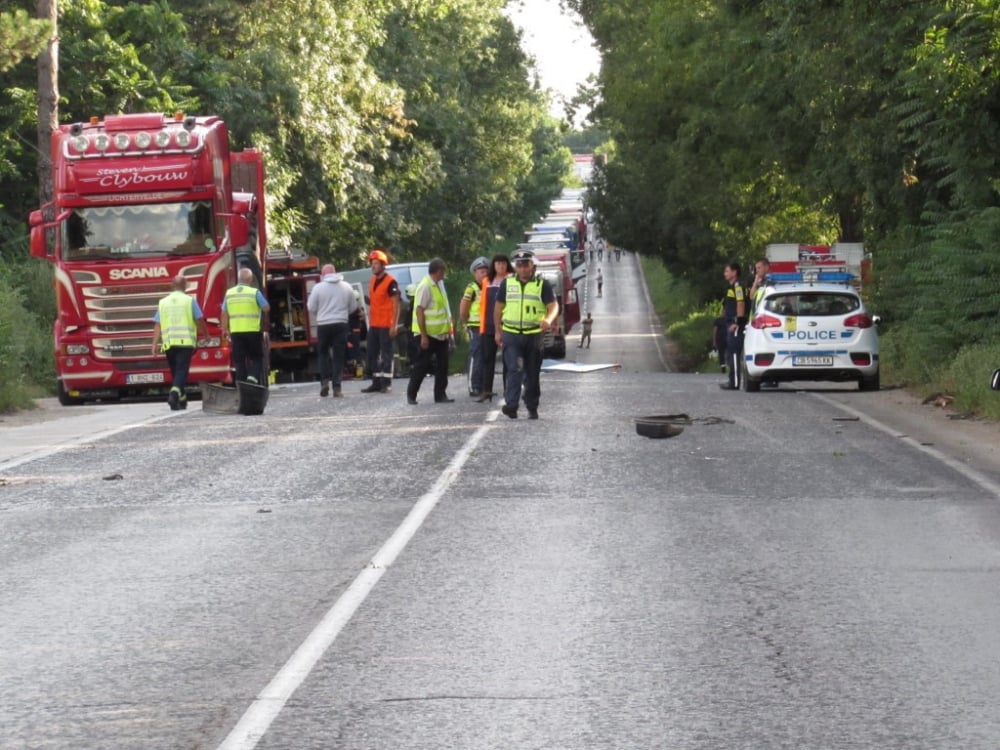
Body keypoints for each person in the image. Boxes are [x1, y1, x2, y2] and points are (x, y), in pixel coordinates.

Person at [494, 249, 559, 420]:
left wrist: (549, 320)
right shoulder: (507, 284)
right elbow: (498, 307)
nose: (523, 269)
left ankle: (532, 406)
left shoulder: (542, 285)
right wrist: (497, 331)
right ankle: (512, 404)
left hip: (534, 336)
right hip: (512, 334)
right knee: (515, 369)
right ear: (516, 267)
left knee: (532, 373)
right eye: (519, 265)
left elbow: (553, 306)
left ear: (533, 266)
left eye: (526, 265)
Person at [150, 275, 209, 410]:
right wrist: (206, 335)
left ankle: (181, 400)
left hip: (169, 342)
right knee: (182, 370)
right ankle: (174, 393)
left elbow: (158, 325)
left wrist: (154, 344)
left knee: (176, 372)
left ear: (172, 285)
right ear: (185, 286)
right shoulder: (189, 301)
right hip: (185, 341)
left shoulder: (163, 302)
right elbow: (200, 319)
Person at [307, 263, 358, 398]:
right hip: (341, 324)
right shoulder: (346, 287)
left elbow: (311, 306)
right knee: (338, 355)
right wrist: (342, 313)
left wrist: (321, 313)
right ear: (335, 272)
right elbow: (353, 307)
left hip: (324, 325)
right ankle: (337, 387)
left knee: (323, 354)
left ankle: (324, 381)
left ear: (323, 275)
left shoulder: (318, 288)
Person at [406, 258, 453, 405]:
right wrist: (424, 336)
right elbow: (419, 310)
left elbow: (443, 309)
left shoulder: (438, 285)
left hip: (440, 334)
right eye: (443, 271)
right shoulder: (425, 286)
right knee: (422, 365)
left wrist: (448, 331)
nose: (444, 274)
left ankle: (440, 395)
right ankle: (411, 394)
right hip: (427, 334)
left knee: (442, 365)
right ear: (438, 271)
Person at [221, 267, 270, 386]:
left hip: (236, 332)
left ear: (239, 279)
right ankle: (252, 377)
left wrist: (224, 329)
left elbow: (224, 312)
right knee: (257, 357)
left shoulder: (229, 293)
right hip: (252, 331)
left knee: (239, 361)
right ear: (251, 279)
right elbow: (266, 308)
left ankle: (241, 385)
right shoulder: (254, 292)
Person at [362, 248, 401, 393]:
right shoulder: (372, 281)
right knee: (371, 353)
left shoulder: (391, 282)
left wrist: (394, 325)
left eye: (376, 263)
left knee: (386, 354)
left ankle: (387, 383)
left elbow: (397, 304)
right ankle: (376, 381)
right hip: (374, 324)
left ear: (383, 265)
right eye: (372, 263)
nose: (373, 266)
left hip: (386, 324)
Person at [476, 253, 510, 403]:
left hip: (508, 325)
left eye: (503, 264)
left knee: (508, 359)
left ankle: (508, 389)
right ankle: (486, 390)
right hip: (489, 325)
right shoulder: (487, 281)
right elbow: (483, 304)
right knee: (487, 359)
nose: (501, 266)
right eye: (498, 264)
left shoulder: (512, 279)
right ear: (493, 266)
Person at [460, 256, 489, 397]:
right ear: (475, 273)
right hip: (475, 327)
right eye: (481, 271)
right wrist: (467, 322)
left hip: (487, 327)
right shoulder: (471, 288)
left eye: (485, 271)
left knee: (486, 356)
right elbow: (463, 309)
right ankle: (473, 386)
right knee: (476, 355)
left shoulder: (490, 287)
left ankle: (483, 385)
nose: (484, 274)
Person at [720, 261, 748, 390]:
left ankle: (735, 382)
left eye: (727, 271)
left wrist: (737, 322)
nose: (724, 273)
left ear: (734, 272)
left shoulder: (737, 286)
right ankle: (732, 380)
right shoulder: (732, 287)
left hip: (736, 326)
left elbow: (741, 303)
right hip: (730, 324)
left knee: (735, 354)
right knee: (731, 354)